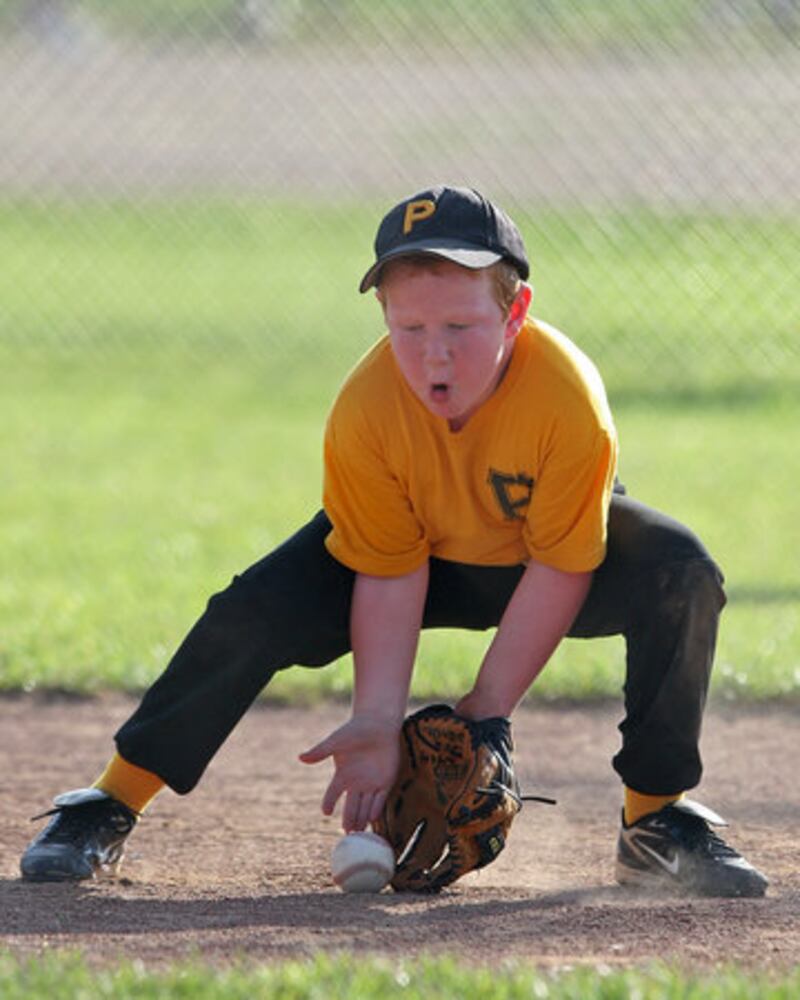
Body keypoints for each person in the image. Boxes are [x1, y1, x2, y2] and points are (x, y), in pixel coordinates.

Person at [21, 184, 767, 897]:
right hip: (414, 555)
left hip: (542, 558)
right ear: (382, 313)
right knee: (251, 610)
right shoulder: (366, 411)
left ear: (516, 314)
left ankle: (653, 820)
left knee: (681, 571)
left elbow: (561, 564)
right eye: (408, 328)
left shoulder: (567, 400)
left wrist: (484, 715)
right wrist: (379, 717)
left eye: (459, 328)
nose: (433, 354)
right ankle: (111, 801)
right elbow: (388, 572)